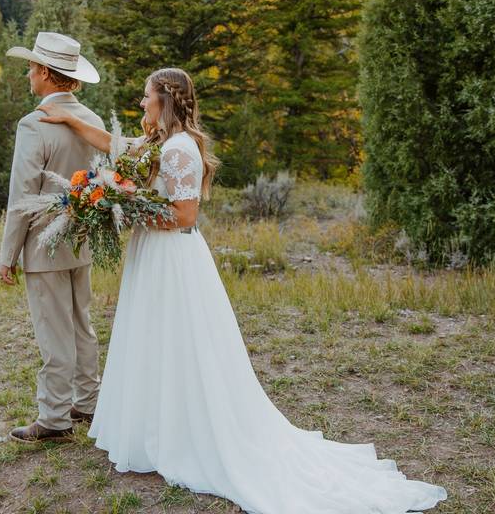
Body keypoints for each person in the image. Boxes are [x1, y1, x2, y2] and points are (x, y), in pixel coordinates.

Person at [36, 67, 448, 513]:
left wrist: (125, 209)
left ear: (166, 100)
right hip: (153, 256)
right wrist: (70, 122)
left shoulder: (177, 150)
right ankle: (159, 428)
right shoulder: (158, 143)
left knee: (181, 343)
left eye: (146, 95)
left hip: (171, 259)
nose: (140, 103)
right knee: (156, 341)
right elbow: (114, 145)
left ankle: (185, 434)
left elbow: (185, 216)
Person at [0, 31, 106, 443]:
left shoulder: (34, 124)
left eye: (31, 68)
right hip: (83, 239)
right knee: (82, 323)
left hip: (44, 242)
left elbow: (22, 195)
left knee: (52, 329)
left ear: (45, 72)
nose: (28, 74)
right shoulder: (93, 121)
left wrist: (8, 254)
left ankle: (54, 418)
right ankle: (88, 402)